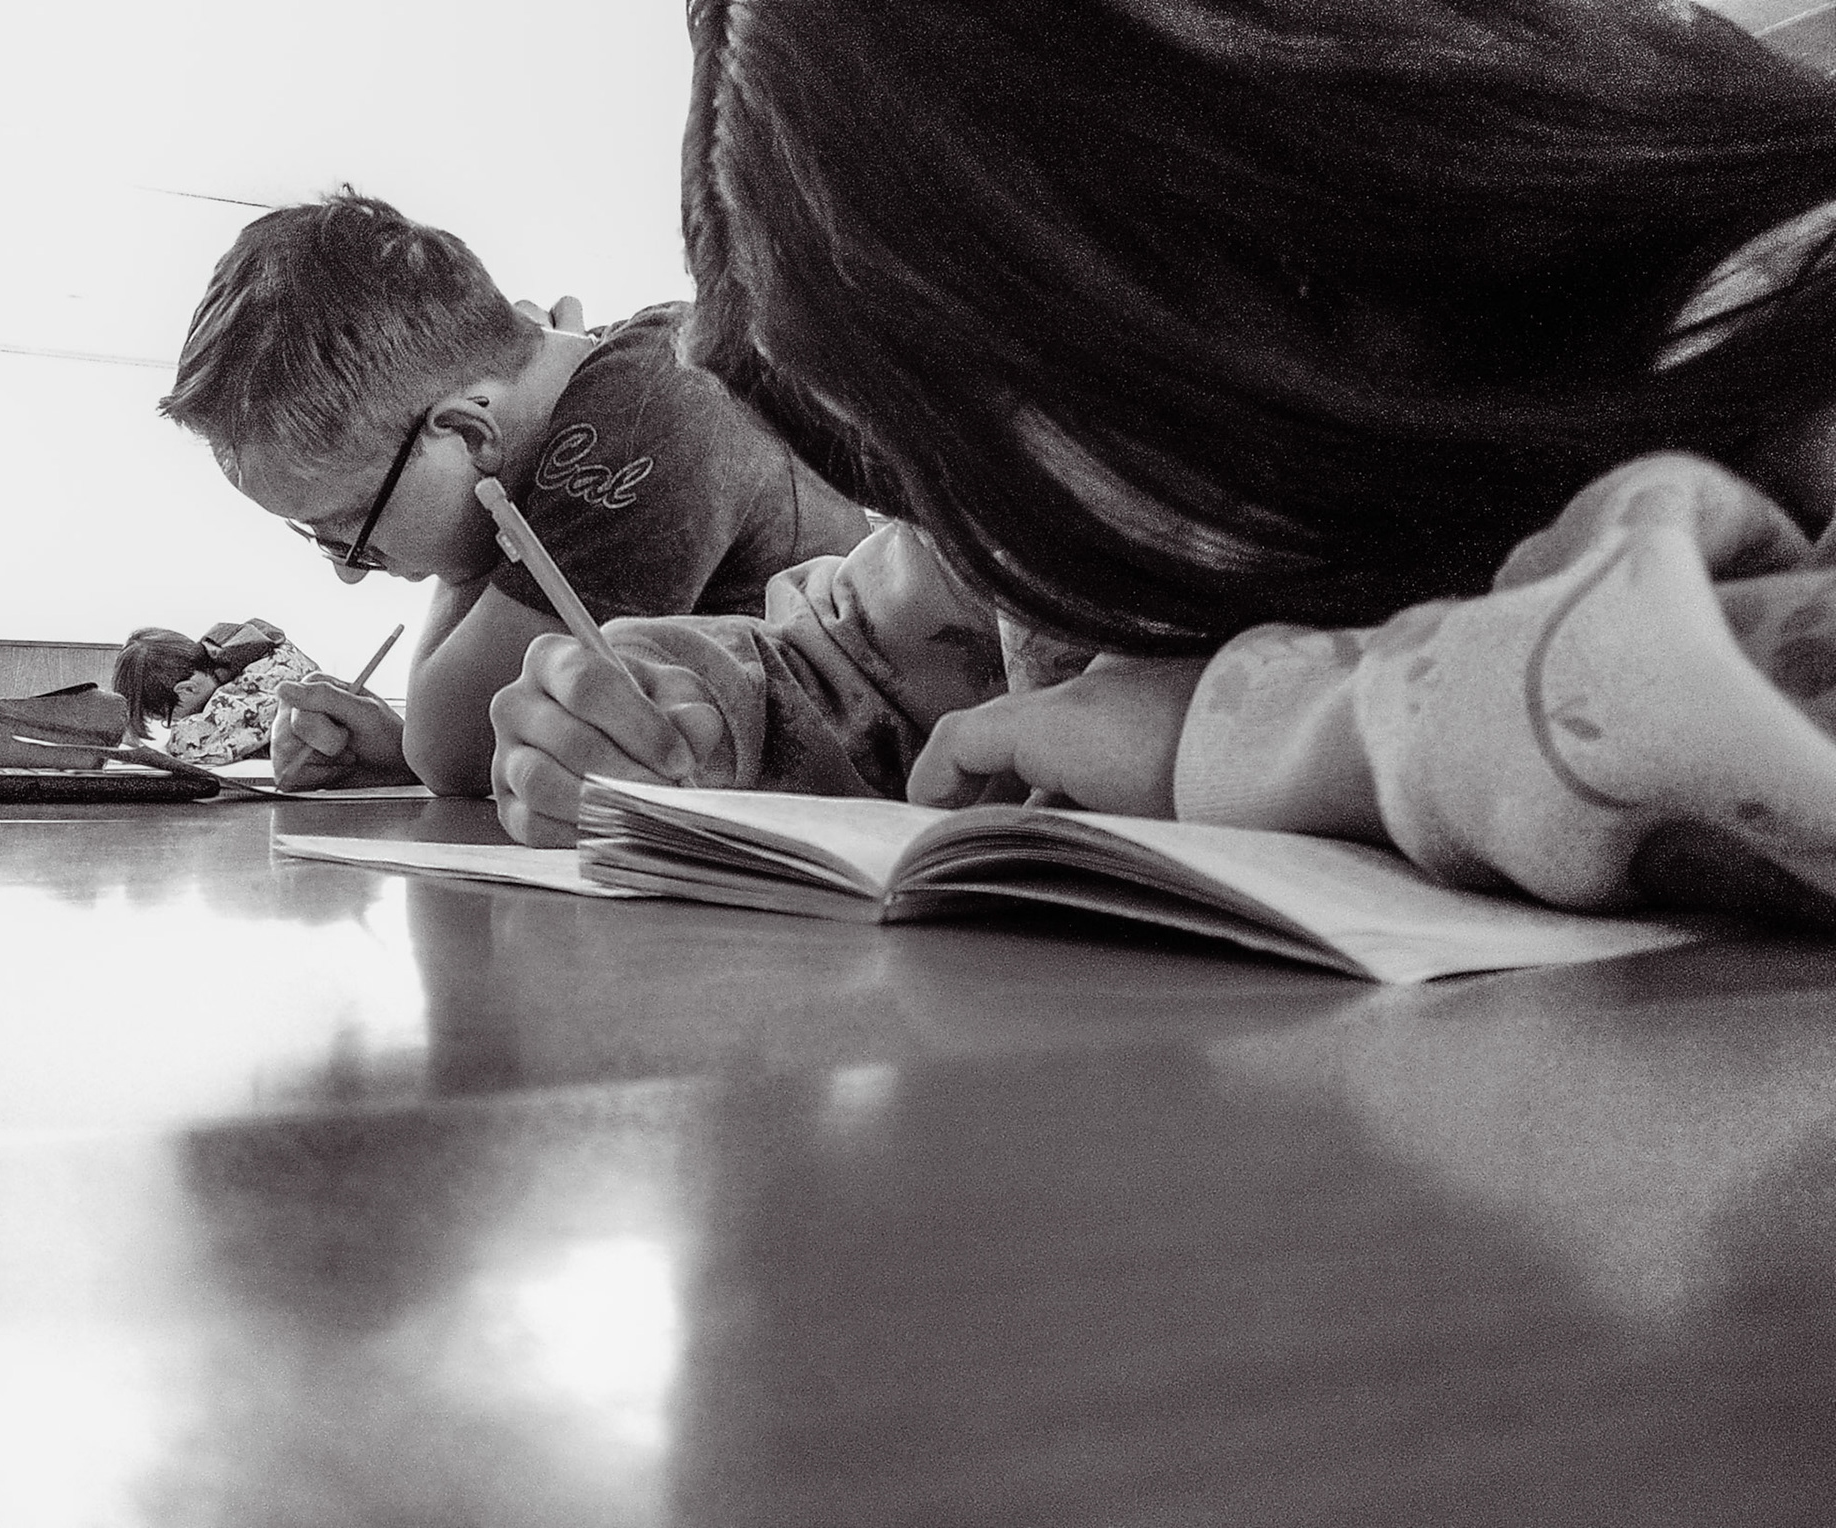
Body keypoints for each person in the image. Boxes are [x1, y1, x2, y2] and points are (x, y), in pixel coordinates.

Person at [486, 0, 1836, 919]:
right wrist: (705, 712)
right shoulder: (1067, 496)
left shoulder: (1770, 315)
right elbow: (886, 647)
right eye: (918, 459)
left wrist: (1226, 738)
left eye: (993, 407)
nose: (990, 534)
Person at [158, 189, 871, 793]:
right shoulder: (589, 391)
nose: (349, 570)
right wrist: (394, 748)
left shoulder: (653, 401)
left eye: (349, 530)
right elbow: (466, 743)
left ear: (468, 436)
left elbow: (451, 745)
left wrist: (497, 512)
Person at [112, 619, 317, 766]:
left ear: (187, 689)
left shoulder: (256, 681)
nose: (175, 723)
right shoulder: (242, 651)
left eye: (168, 718)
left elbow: (189, 744)